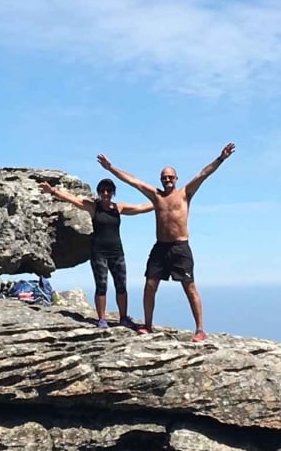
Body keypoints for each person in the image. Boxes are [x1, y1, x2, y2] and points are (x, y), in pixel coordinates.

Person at [96, 142, 234, 343]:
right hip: (160, 247)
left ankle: (200, 329)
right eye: (164, 177)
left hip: (180, 247)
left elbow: (204, 173)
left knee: (189, 286)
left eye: (170, 177)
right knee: (150, 285)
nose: (167, 180)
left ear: (176, 179)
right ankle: (148, 325)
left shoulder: (185, 193)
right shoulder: (156, 195)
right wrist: (110, 168)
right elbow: (133, 181)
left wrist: (221, 158)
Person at [38, 178, 152, 328]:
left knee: (121, 286)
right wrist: (52, 190)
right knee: (101, 286)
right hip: (99, 253)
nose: (105, 193)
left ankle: (123, 318)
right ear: (98, 192)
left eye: (109, 190)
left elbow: (140, 207)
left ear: (113, 192)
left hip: (117, 253)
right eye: (102, 190)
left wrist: (160, 201)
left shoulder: (118, 208)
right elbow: (71, 199)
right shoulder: (93, 207)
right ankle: (102, 319)